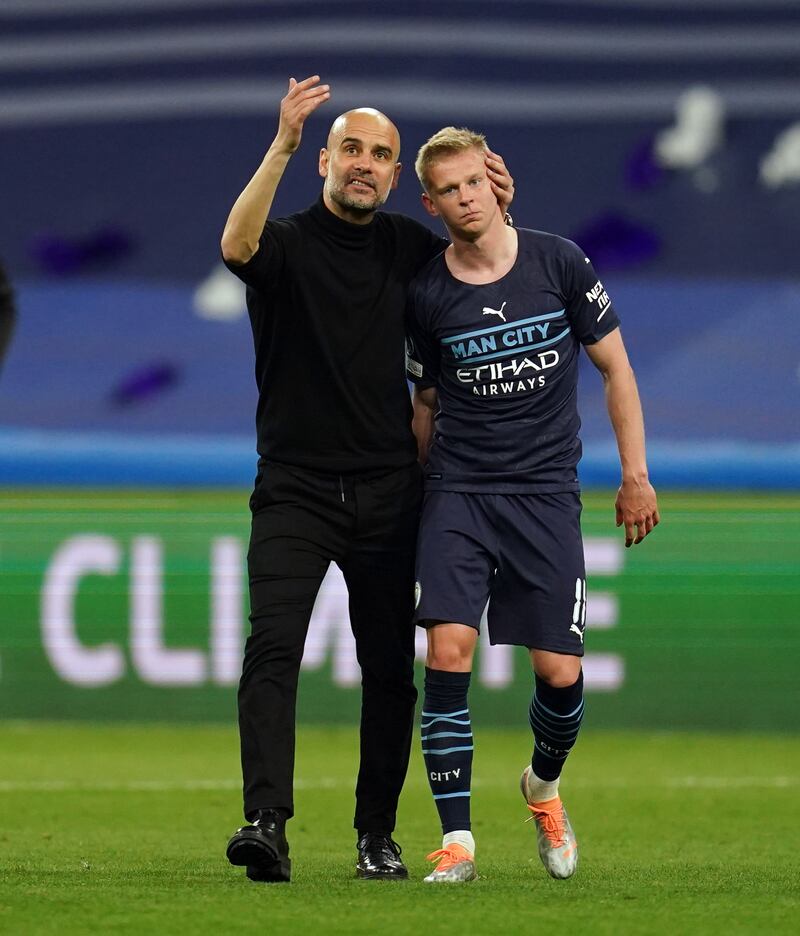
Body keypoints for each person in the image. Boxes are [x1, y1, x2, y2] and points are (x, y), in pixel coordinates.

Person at [220, 79, 514, 883]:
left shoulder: (412, 252)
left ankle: (375, 836)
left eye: (381, 155)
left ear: (393, 179)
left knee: (389, 669)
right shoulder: (283, 244)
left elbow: (491, 267)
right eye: (352, 148)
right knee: (272, 648)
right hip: (294, 487)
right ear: (325, 159)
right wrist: (277, 144)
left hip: (390, 490)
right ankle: (266, 824)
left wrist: (500, 209)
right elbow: (234, 248)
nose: (366, 164)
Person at [404, 127, 659, 884]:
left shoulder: (559, 261)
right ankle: (458, 842)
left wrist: (635, 474)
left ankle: (543, 788)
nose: (464, 198)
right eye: (448, 190)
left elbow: (616, 370)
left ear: (495, 179)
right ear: (432, 203)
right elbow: (423, 405)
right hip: (459, 492)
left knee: (557, 671)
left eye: (473, 182)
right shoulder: (427, 294)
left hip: (545, 497)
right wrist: (424, 495)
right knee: (447, 650)